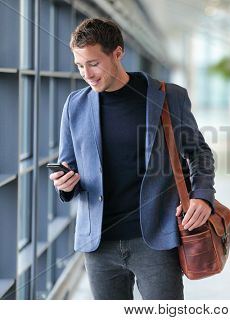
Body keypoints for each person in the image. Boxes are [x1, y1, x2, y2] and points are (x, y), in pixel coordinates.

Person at [48, 18, 215, 300]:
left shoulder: (167, 97)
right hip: (99, 245)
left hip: (155, 239)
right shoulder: (75, 105)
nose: (86, 73)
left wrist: (203, 195)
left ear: (117, 53)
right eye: (79, 65)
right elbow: (70, 167)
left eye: (93, 63)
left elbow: (198, 152)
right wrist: (65, 184)